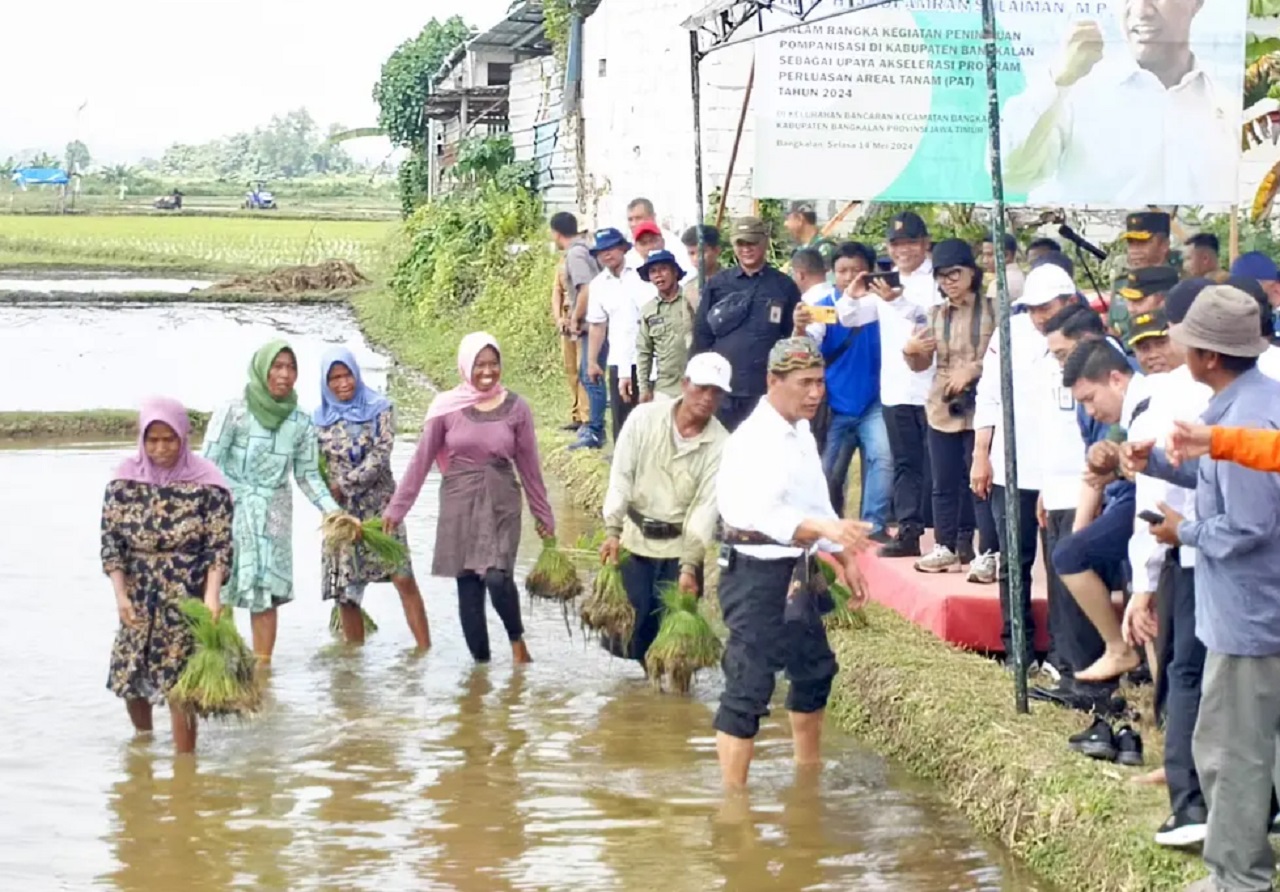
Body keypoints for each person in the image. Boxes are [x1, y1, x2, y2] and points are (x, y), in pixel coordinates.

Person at [1126, 286, 1280, 892]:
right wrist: (1157, 464)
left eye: (1184, 337)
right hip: (1258, 610)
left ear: (1209, 356)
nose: (1175, 345)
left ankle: (1237, 878)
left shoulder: (1245, 418)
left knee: (1232, 751)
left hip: (1251, 615)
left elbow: (1247, 525)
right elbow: (1219, 471)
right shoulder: (1252, 402)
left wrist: (1180, 530)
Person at [714, 337, 873, 789]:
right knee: (748, 686)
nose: (815, 393)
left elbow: (814, 500)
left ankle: (808, 771)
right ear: (772, 381)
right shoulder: (754, 440)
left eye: (820, 383)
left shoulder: (801, 431)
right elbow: (763, 515)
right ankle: (733, 799)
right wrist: (826, 533)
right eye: (804, 383)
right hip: (755, 572)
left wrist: (842, 555)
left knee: (814, 669)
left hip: (798, 570)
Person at [383, 333, 555, 665]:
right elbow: (420, 462)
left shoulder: (517, 408)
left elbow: (530, 468)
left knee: (496, 575)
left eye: (493, 364)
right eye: (480, 364)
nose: (488, 371)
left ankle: (517, 643)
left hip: (501, 497)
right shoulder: (446, 408)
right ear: (466, 367)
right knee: (469, 587)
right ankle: (480, 673)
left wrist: (543, 516)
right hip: (458, 498)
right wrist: (398, 508)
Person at [1001, 4, 1236, 205]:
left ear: (1197, 3)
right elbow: (1010, 173)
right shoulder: (1072, 91)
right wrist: (1056, 82)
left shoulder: (1227, 107)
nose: (1141, 11)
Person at [103, 398, 232, 754]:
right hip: (139, 591)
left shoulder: (208, 483)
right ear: (142, 440)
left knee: (181, 681)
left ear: (183, 438)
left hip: (186, 592)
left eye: (169, 439)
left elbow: (219, 546)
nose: (160, 448)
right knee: (131, 677)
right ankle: (143, 745)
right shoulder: (123, 481)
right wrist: (121, 596)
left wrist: (211, 595)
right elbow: (111, 545)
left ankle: (184, 764)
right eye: (153, 440)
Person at [203, 340, 340, 662]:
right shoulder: (233, 411)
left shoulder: (301, 421)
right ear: (262, 369)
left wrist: (334, 513)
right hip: (230, 513)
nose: (284, 374)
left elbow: (307, 475)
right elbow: (207, 465)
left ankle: (263, 672)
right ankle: (219, 665)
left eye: (291, 367)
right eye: (277, 367)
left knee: (266, 595)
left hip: (275, 513)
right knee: (220, 588)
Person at [973, 264, 1075, 665]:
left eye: (1046, 307)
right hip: (1010, 464)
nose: (1039, 316)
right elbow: (989, 395)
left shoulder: (1084, 339)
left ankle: (1065, 652)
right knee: (1013, 561)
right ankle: (1017, 647)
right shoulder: (1009, 333)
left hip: (1060, 472)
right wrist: (981, 454)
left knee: (1061, 564)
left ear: (1069, 301)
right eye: (1032, 308)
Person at [599, 353, 731, 663]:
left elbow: (704, 510)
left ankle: (669, 696)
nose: (707, 398)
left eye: (716, 392)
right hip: (635, 540)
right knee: (632, 637)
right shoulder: (643, 419)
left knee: (674, 645)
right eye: (701, 388)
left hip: (679, 549)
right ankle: (643, 704)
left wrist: (689, 568)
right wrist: (612, 530)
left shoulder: (722, 444)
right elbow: (621, 478)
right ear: (685, 385)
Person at [314, 348, 431, 650]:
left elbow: (381, 455)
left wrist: (345, 483)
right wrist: (329, 495)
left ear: (357, 374)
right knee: (347, 592)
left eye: (347, 375)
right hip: (341, 517)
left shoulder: (380, 409)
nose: (343, 383)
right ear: (325, 384)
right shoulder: (318, 420)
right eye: (335, 378)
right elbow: (313, 467)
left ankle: (423, 650)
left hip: (381, 509)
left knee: (402, 577)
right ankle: (354, 664)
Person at [903, 238, 997, 573]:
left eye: (955, 273)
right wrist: (911, 350)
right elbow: (919, 365)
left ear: (971, 272)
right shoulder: (934, 315)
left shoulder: (993, 310)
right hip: (943, 406)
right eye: (942, 276)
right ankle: (944, 546)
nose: (949, 282)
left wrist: (974, 369)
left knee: (983, 481)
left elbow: (1007, 359)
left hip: (984, 404)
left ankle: (988, 551)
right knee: (942, 483)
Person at [1055, 340, 1143, 685]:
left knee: (1070, 554)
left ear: (1116, 379)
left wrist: (1116, 467)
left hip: (1148, 503)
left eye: (1090, 399)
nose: (1089, 411)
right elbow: (1095, 471)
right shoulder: (1122, 412)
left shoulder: (1150, 402)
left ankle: (1119, 649)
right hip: (1126, 502)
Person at [791, 246, 890, 535]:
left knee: (882, 459)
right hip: (835, 403)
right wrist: (798, 329)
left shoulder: (881, 305)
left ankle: (874, 525)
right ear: (833, 273)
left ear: (869, 271)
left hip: (875, 402)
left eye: (856, 270)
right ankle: (829, 528)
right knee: (830, 472)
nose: (849, 277)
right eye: (843, 270)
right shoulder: (823, 307)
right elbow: (806, 348)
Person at [692, 216, 802, 432]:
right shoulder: (718, 284)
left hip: (766, 389)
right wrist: (697, 380)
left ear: (764, 242)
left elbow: (793, 338)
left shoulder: (784, 286)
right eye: (741, 243)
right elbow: (702, 335)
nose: (747, 249)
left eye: (752, 243)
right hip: (723, 389)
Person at [876, 211, 938, 558]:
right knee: (905, 464)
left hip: (933, 386)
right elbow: (853, 316)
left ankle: (950, 537)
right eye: (896, 244)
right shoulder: (885, 281)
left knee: (940, 467)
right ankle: (908, 531)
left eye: (911, 242)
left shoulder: (936, 279)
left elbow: (932, 318)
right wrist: (855, 294)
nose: (903, 250)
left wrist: (895, 301)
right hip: (896, 387)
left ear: (925, 244)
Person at [578, 227, 652, 449]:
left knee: (649, 413)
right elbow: (597, 325)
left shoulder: (644, 273)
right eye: (601, 251)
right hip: (619, 358)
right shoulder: (599, 285)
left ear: (622, 248)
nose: (607, 254)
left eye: (611, 248)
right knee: (622, 417)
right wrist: (591, 362)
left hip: (649, 357)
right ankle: (623, 465)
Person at [550, 212, 599, 433]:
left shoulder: (579, 254)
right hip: (568, 318)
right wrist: (559, 317)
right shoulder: (565, 257)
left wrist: (575, 319)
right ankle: (578, 414)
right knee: (571, 368)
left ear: (556, 232)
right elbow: (557, 291)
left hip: (583, 320)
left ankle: (589, 420)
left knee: (584, 369)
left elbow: (585, 289)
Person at [1108, 212, 1178, 342]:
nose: (1134, 250)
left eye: (1142, 243)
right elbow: (1112, 328)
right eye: (1131, 243)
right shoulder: (1121, 283)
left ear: (1164, 245)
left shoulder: (1180, 283)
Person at [636, 249, 693, 403]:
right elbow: (644, 351)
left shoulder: (692, 300)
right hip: (665, 387)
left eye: (663, 269)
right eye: (653, 271)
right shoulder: (648, 311)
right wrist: (644, 388)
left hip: (695, 383)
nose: (658, 275)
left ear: (675, 271)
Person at [625, 197, 684, 276]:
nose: (633, 224)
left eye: (638, 218)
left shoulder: (674, 245)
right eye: (630, 219)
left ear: (653, 217)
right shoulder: (629, 253)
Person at [681, 224, 723, 313]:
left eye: (702, 252)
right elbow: (689, 324)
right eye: (691, 253)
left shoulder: (734, 280)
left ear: (717, 250)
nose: (696, 258)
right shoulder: (689, 289)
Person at [783, 202, 836, 271]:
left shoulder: (824, 248)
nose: (785, 224)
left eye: (788, 219)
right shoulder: (798, 250)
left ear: (800, 219)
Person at [978, 231, 1025, 302]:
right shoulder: (1023, 277)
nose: (985, 260)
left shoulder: (998, 284)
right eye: (984, 255)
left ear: (1006, 255)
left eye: (989, 255)